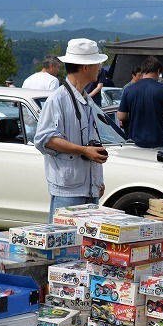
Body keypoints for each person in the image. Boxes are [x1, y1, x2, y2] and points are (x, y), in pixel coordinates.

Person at [32, 38, 109, 216]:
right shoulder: (57, 99)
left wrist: (96, 179)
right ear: (85, 67)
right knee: (64, 242)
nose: (99, 68)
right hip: (69, 190)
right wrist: (84, 150)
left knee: (85, 243)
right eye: (97, 64)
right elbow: (45, 139)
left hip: (87, 188)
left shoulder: (85, 99)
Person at [117, 57, 163, 149]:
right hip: (158, 142)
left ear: (143, 71)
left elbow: (120, 116)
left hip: (135, 142)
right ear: (158, 71)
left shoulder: (128, 90)